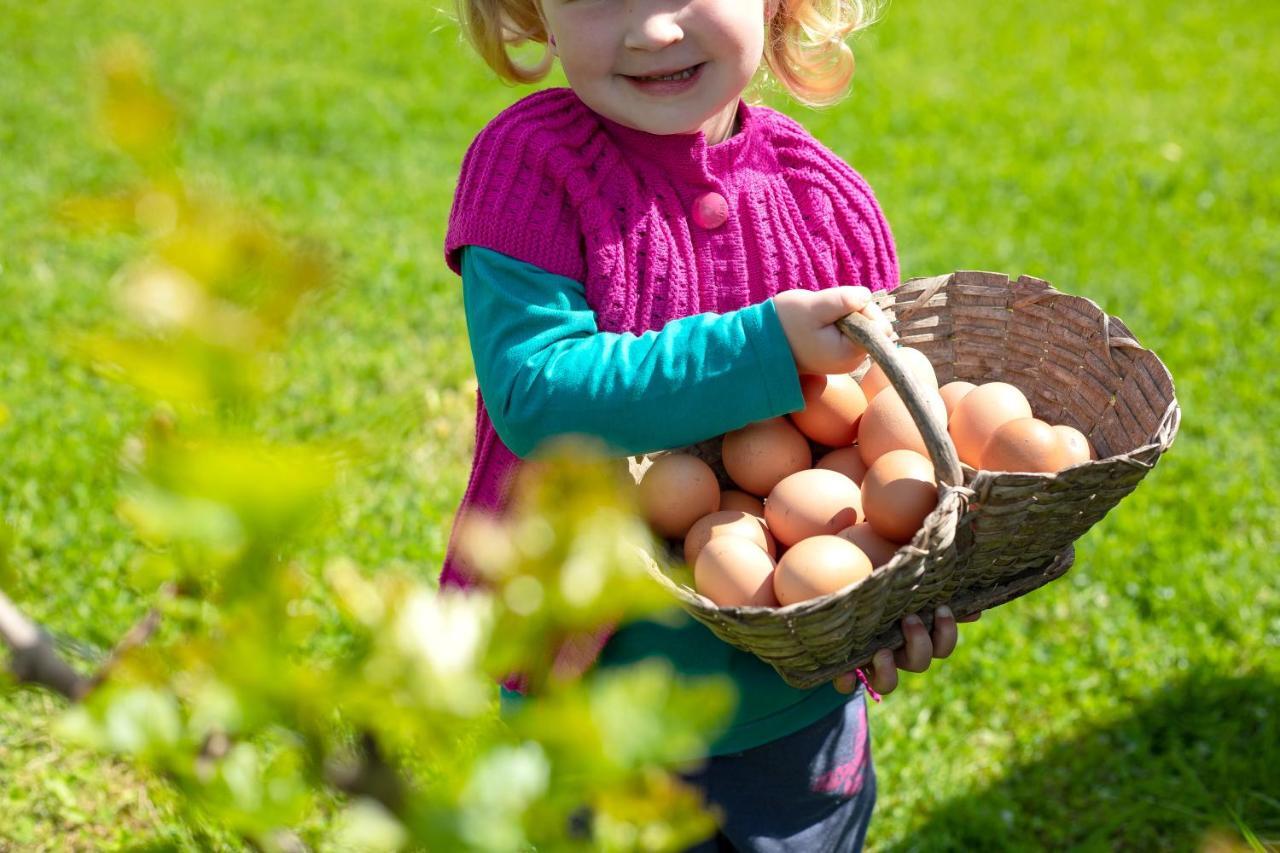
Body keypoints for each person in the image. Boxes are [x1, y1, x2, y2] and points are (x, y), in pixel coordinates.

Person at [440, 1, 979, 849]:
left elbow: (869, 448)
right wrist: (761, 345)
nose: (653, 29)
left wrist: (884, 597)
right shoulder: (531, 168)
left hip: (795, 711)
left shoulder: (827, 202)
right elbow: (538, 394)